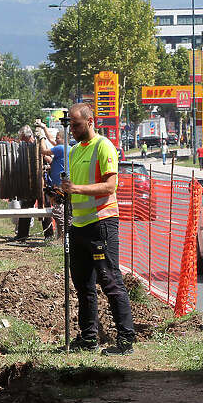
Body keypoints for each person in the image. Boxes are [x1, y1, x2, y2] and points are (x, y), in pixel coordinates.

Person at [61, 103, 135, 355]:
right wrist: (61, 192)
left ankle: (126, 340)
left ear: (90, 121)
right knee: (83, 285)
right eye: (70, 124)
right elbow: (73, 188)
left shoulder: (104, 146)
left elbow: (110, 186)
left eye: (76, 124)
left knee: (110, 280)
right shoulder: (73, 151)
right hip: (79, 225)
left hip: (101, 223)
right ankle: (88, 337)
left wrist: (76, 189)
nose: (72, 129)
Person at [15, 125, 54, 240]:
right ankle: (22, 235)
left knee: (45, 207)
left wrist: (42, 155)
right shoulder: (23, 148)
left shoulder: (39, 145)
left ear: (28, 137)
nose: (21, 140)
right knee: (26, 207)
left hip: (43, 182)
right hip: (29, 182)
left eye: (22, 138)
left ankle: (49, 235)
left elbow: (50, 160)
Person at [37, 122, 71, 239]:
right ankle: (65, 236)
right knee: (66, 211)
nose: (55, 140)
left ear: (63, 139)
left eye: (58, 138)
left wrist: (41, 137)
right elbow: (51, 140)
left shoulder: (60, 148)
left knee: (59, 212)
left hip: (59, 186)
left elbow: (43, 151)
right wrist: (44, 127)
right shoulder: (66, 147)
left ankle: (62, 238)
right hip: (64, 184)